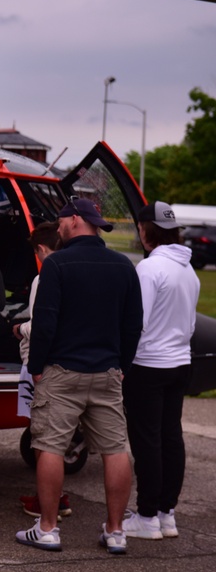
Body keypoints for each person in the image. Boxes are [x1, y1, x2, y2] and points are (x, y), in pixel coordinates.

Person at [15, 197, 142, 555]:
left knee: (50, 447)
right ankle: (116, 531)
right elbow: (133, 325)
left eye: (60, 221)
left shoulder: (57, 264)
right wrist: (123, 368)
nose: (57, 228)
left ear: (74, 220)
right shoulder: (123, 266)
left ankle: (48, 528)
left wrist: (37, 367)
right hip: (107, 372)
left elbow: (45, 323)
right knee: (116, 449)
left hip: (61, 371)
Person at [121, 201, 200, 540]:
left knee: (147, 441)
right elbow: (191, 322)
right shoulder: (189, 270)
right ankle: (167, 513)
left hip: (149, 364)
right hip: (180, 362)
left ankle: (147, 515)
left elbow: (137, 322)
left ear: (145, 230)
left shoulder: (149, 269)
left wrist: (123, 362)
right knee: (171, 438)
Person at [11, 222, 71, 519]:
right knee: (59, 434)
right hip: (69, 364)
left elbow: (41, 325)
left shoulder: (44, 277)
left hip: (42, 365)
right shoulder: (74, 271)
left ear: (42, 249)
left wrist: (19, 328)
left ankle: (48, 501)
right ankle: (59, 495)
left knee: (42, 435)